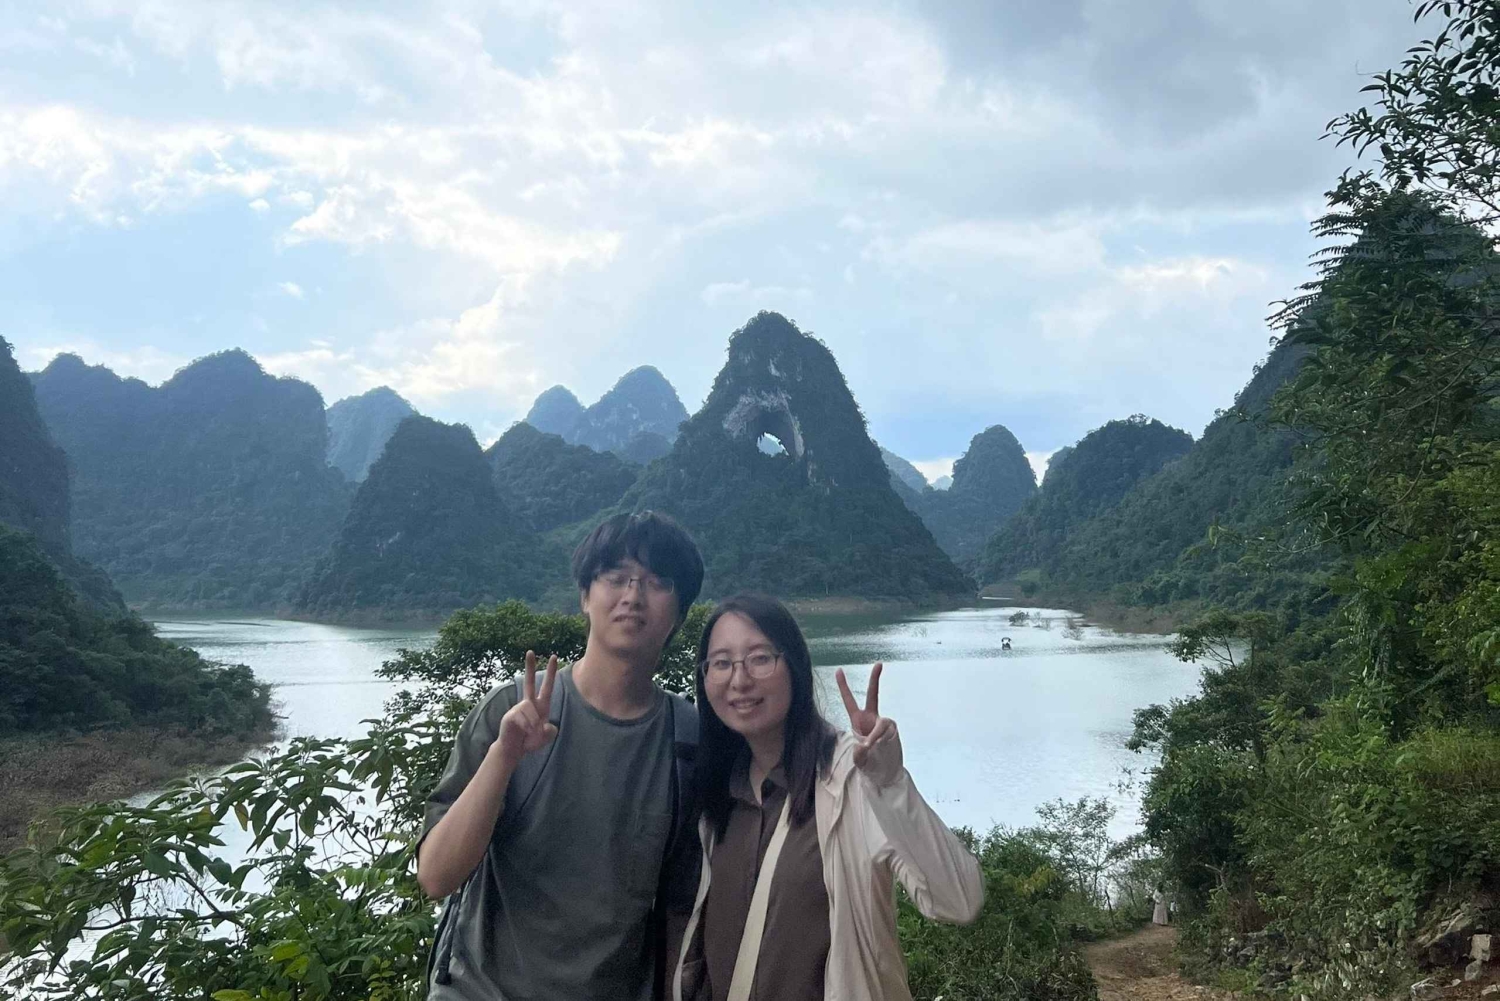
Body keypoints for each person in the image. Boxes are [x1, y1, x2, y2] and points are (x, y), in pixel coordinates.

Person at [417, 511, 706, 1001]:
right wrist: (504, 756)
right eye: (616, 578)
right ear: (585, 597)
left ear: (679, 612)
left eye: (657, 582)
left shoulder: (688, 737)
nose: (633, 596)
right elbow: (437, 876)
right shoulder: (513, 713)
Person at [674, 594, 985, 1001]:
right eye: (721, 663)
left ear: (796, 668)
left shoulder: (849, 779)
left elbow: (959, 901)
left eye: (760, 658)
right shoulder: (716, 794)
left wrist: (890, 784)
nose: (740, 679)